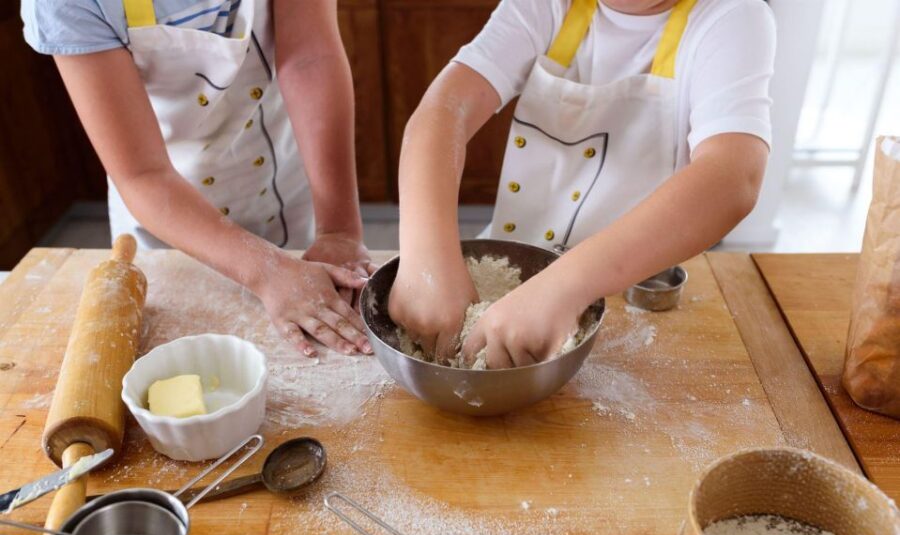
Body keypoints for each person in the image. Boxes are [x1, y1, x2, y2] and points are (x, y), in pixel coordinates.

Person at [390, 0, 775, 368]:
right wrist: (427, 259)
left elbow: (733, 177)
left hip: (629, 299)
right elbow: (446, 108)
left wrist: (565, 286)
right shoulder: (546, 7)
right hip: (511, 270)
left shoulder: (731, 19)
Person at [21, 0, 373, 357]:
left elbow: (309, 59)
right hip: (170, 214)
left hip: (285, 178)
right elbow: (142, 173)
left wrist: (338, 231)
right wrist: (268, 271)